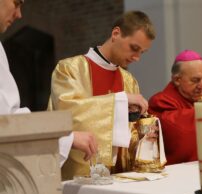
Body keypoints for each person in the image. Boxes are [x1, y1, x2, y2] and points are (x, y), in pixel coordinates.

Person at [48, 10, 156, 179]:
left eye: (142, 52)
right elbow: (68, 114)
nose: (137, 58)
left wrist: (144, 132)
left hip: (121, 178)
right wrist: (121, 100)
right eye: (134, 48)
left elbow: (129, 137)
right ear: (116, 33)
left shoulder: (129, 81)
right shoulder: (70, 69)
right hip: (78, 177)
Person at [0, 0, 98, 167]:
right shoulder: (69, 68)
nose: (19, 14)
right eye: (16, 3)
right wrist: (68, 139)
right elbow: (7, 123)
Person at [148, 50, 202, 165]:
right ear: (177, 80)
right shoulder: (160, 102)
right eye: (195, 80)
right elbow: (179, 136)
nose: (201, 85)